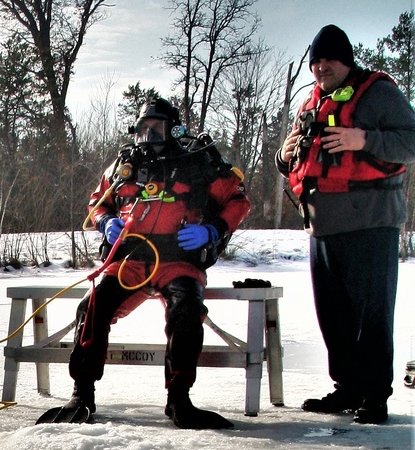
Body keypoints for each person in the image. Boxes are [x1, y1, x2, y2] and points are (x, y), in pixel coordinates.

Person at [40, 97, 250, 429]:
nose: (148, 136)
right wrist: (106, 221)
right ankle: (82, 393)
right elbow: (98, 202)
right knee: (93, 305)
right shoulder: (125, 165)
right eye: (142, 129)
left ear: (175, 130)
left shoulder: (199, 162)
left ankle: (179, 399)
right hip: (131, 259)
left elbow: (238, 200)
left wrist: (213, 229)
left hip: (179, 259)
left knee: (186, 311)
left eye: (156, 128)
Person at [277, 24, 415, 424]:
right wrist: (283, 159)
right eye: (315, 62)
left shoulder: (378, 93)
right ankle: (347, 388)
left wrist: (363, 139)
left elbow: (411, 140)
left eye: (328, 61)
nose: (321, 68)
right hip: (323, 225)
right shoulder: (311, 103)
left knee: (371, 314)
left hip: (371, 222)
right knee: (333, 315)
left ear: (346, 60)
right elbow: (302, 163)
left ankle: (374, 395)